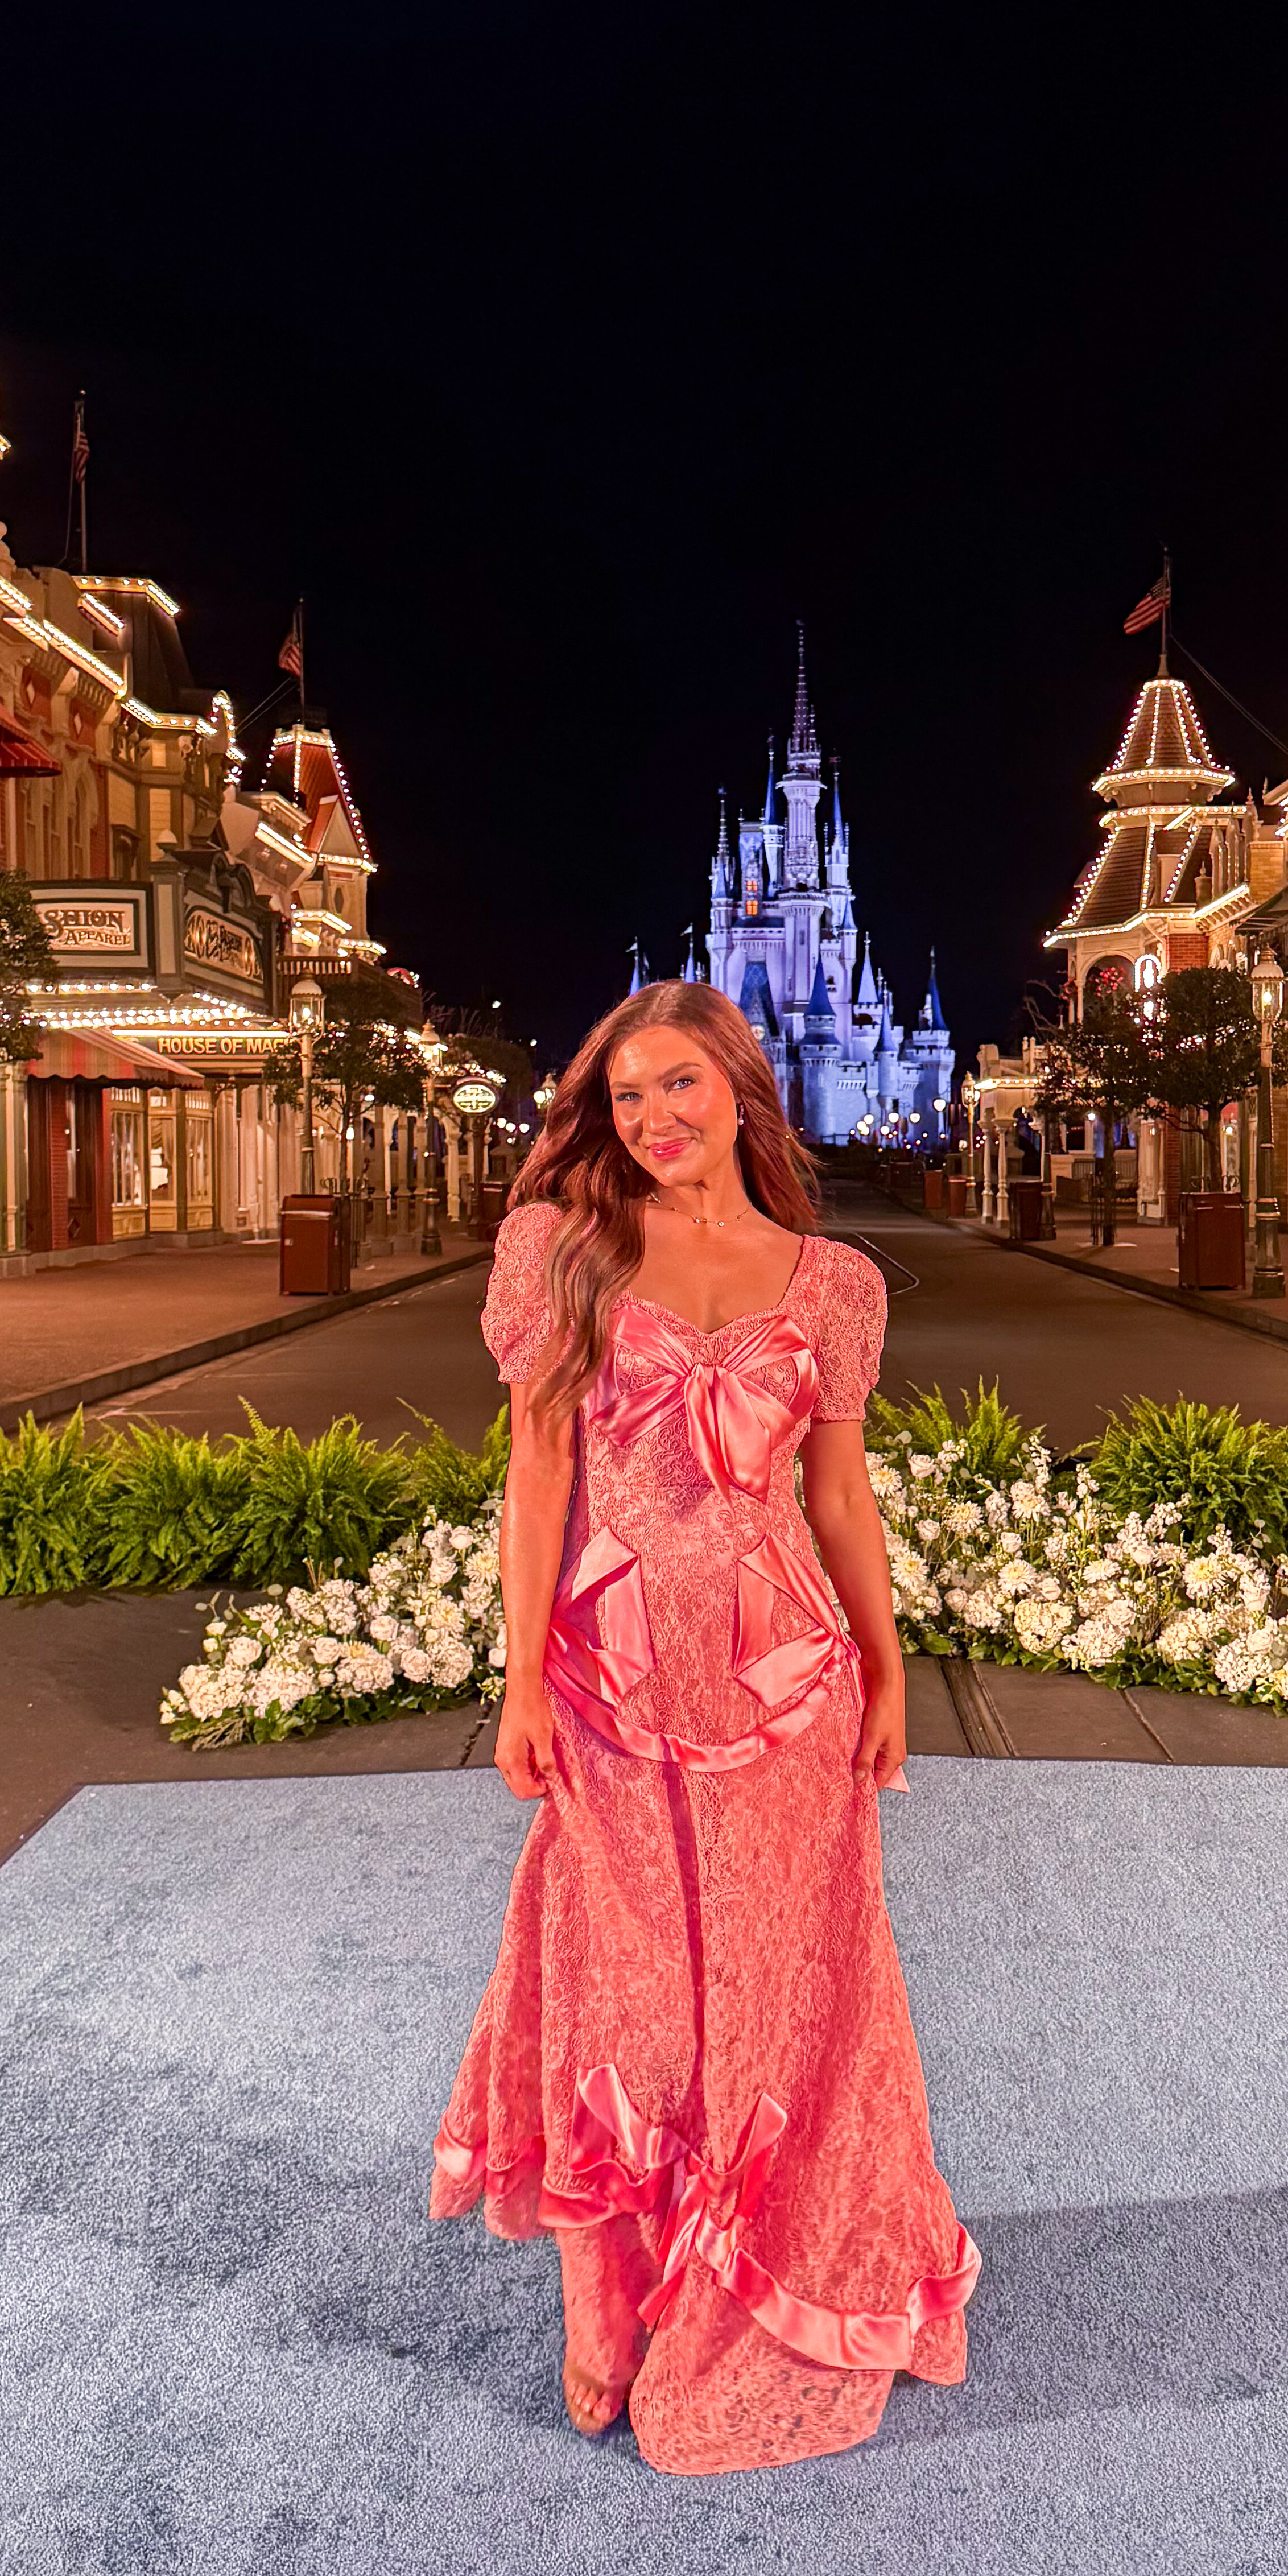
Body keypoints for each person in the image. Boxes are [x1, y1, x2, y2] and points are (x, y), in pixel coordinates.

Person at [431, 979, 978, 2473]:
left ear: (741, 1087)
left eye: (679, 1086)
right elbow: (538, 1473)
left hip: (782, 1682)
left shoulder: (831, 1283)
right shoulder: (566, 1250)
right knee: (626, 1993)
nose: (653, 1119)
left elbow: (838, 1496)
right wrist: (522, 1676)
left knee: (779, 1990)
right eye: (624, 1098)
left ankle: (746, 2289)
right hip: (608, 1676)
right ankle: (614, 2293)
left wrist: (884, 1671)